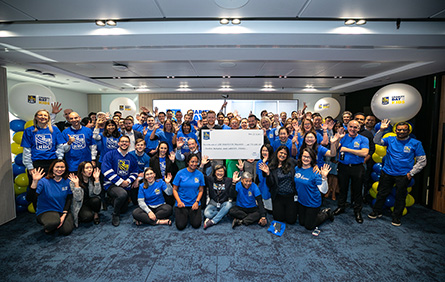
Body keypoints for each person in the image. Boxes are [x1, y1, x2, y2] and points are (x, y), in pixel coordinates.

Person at [368, 120, 426, 226]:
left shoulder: (415, 143)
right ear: (396, 130)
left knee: (400, 197)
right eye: (399, 129)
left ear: (408, 131)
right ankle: (376, 211)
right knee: (381, 194)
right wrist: (381, 130)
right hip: (387, 172)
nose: (401, 131)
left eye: (404, 129)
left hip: (403, 175)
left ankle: (396, 217)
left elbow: (422, 160)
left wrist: (411, 173)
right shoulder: (390, 139)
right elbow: (376, 141)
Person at [333, 120, 369, 224]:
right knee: (342, 188)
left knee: (357, 190)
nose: (353, 129)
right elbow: (334, 150)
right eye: (351, 127)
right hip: (343, 166)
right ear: (347, 127)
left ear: (359, 128)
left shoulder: (363, 139)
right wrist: (337, 140)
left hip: (357, 167)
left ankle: (357, 211)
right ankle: (341, 207)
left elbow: (364, 152)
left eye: (355, 127)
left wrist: (347, 150)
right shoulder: (343, 137)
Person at [26, 160, 75, 235]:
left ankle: (56, 223)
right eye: (57, 167)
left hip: (62, 211)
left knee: (66, 231)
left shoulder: (67, 181)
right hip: (47, 210)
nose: (59, 169)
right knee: (52, 223)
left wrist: (64, 214)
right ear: (52, 168)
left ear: (65, 169)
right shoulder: (43, 181)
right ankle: (51, 226)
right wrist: (35, 181)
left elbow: (69, 199)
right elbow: (29, 198)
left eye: (62, 167)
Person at [102, 135, 139, 226]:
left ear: (129, 144)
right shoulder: (110, 154)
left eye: (126, 142)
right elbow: (105, 170)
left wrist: (128, 181)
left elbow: (135, 171)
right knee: (122, 194)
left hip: (125, 184)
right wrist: (120, 182)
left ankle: (112, 200)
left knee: (124, 209)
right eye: (122, 141)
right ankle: (115, 214)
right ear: (118, 143)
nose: (124, 143)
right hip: (111, 184)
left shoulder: (132, 157)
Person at [295, 148, 334, 231]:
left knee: (309, 226)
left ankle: (325, 213)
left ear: (312, 159)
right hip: (301, 201)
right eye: (304, 156)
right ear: (301, 157)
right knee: (301, 222)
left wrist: (324, 177)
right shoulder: (297, 169)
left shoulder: (315, 172)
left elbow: (324, 191)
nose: (306, 159)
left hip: (312, 202)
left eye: (308, 157)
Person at [259, 145, 298, 224]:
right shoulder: (271, 165)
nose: (282, 155)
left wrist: (315, 166)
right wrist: (268, 174)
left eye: (285, 154)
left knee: (291, 221)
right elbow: (270, 184)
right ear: (277, 153)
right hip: (278, 196)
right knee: (278, 219)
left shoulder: (291, 162)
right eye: (281, 153)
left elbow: (304, 163)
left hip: (290, 196)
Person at [21, 109, 65, 179]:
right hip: (36, 163)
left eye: (45, 115)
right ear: (36, 117)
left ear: (48, 118)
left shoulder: (54, 130)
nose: (43, 117)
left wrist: (59, 161)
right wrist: (29, 167)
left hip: (52, 162)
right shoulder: (29, 130)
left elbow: (60, 147)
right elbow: (27, 150)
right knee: (36, 186)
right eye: (40, 115)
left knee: (52, 186)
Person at [172, 154, 205, 230]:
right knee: (180, 226)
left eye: (196, 162)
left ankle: (189, 214)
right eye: (192, 162)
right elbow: (174, 189)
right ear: (188, 162)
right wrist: (179, 201)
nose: (194, 164)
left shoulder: (200, 175)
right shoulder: (180, 173)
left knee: (196, 225)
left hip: (194, 203)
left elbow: (201, 190)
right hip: (182, 203)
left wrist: (197, 202)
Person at [203, 165, 235, 229]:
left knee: (229, 204)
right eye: (218, 171)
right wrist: (202, 165)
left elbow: (242, 182)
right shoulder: (210, 179)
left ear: (224, 173)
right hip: (213, 203)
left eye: (221, 171)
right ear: (215, 172)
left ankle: (213, 221)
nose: (220, 173)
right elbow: (201, 176)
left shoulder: (228, 180)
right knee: (207, 214)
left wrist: (234, 182)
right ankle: (223, 213)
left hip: (224, 203)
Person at [72, 161, 102, 226]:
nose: (89, 170)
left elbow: (97, 193)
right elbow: (78, 198)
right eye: (87, 168)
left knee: (97, 200)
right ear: (82, 171)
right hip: (80, 204)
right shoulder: (74, 181)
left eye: (91, 168)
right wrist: (76, 185)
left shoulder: (92, 179)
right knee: (87, 217)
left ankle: (96, 214)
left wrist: (97, 179)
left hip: (90, 201)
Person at [255, 144, 274, 212]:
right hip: (261, 187)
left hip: (269, 188)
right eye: (263, 150)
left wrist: (264, 163)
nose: (264, 152)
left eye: (266, 150)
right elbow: (257, 175)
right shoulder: (259, 162)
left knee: (270, 211)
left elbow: (266, 176)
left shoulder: (273, 162)